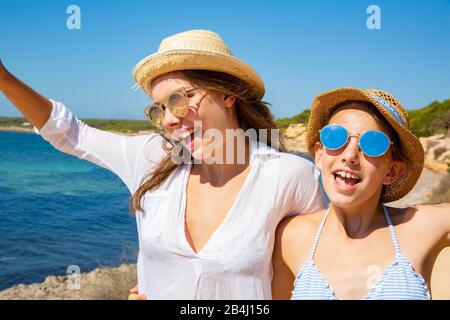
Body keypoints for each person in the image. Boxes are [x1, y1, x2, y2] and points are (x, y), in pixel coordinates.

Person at [0, 29, 326, 299]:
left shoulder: (289, 175)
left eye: (180, 99)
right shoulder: (152, 158)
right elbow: (68, 132)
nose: (169, 119)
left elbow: (312, 280)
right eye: (159, 108)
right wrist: (4, 78)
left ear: (228, 93)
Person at [271, 87, 450, 300]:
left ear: (392, 171)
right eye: (335, 137)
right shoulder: (291, 236)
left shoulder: (423, 226)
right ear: (319, 155)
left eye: (373, 144)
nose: (350, 155)